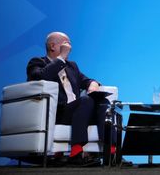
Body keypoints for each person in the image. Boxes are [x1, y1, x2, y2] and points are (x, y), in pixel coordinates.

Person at [26, 31, 110, 166]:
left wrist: (93, 83)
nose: (70, 47)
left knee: (103, 103)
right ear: (52, 46)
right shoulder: (37, 62)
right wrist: (61, 57)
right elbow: (40, 77)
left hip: (79, 111)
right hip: (58, 112)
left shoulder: (72, 66)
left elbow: (86, 80)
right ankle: (76, 152)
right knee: (86, 100)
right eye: (66, 43)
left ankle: (111, 153)